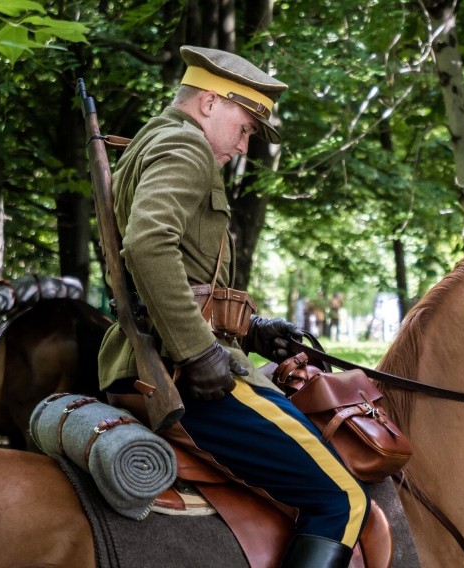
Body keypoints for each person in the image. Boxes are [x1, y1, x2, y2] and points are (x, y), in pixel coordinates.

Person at [97, 45, 368, 568]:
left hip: (146, 359)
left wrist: (251, 328)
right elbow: (149, 244)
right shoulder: (186, 147)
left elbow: (185, 275)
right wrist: (199, 352)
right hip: (178, 375)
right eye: (244, 127)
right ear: (207, 103)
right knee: (342, 500)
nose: (244, 146)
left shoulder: (152, 142)